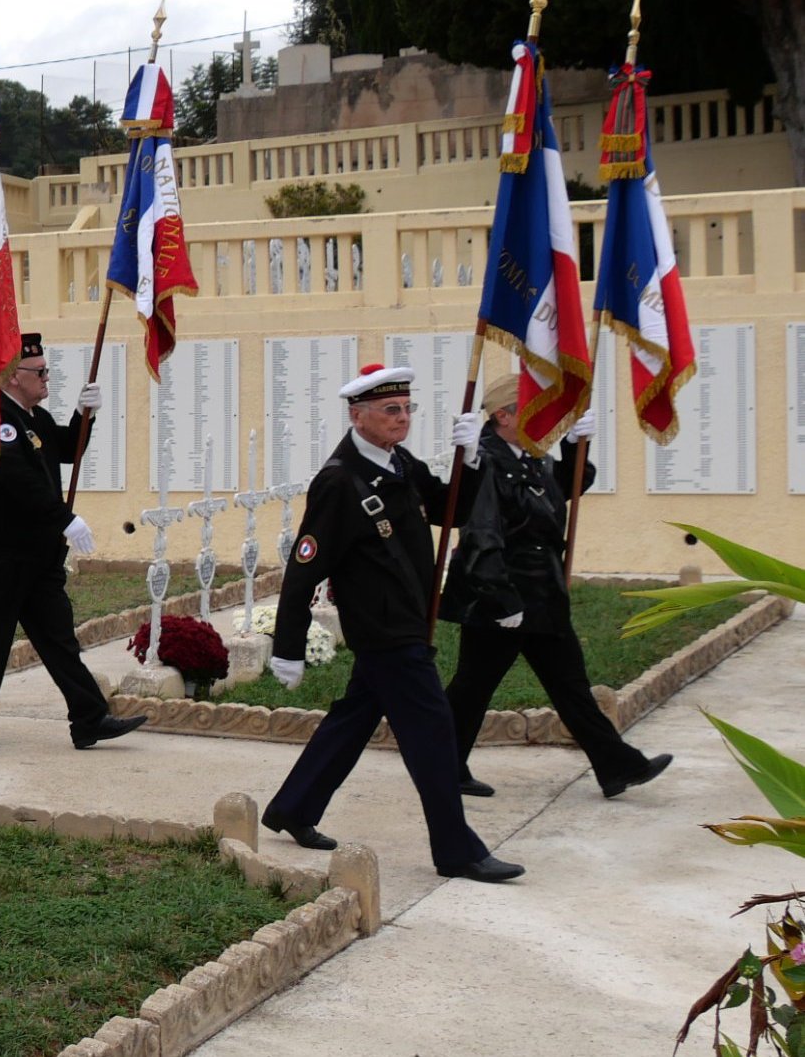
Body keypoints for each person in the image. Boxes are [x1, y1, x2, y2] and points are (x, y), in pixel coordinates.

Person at [261, 363, 522, 883]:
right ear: (358, 417)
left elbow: (454, 512)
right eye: (390, 411)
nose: (402, 419)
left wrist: (468, 462)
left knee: (353, 719)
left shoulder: (399, 461)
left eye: (407, 409)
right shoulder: (340, 481)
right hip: (385, 632)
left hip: (406, 619)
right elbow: (306, 564)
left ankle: (294, 807)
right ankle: (457, 850)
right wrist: (287, 645)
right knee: (434, 735)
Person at [441, 376, 672, 800]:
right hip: (502, 598)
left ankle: (616, 766)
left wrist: (574, 448)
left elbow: (565, 489)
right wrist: (502, 600)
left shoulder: (532, 454)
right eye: (532, 407)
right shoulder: (486, 461)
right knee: (473, 688)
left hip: (542, 596)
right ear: (504, 416)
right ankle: (442, 767)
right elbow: (481, 535)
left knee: (569, 685)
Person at [0, 333, 145, 753]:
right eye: (40, 372)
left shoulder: (32, 417)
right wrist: (64, 519)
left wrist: (83, 412)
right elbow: (18, 480)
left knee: (57, 637)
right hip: (3, 552)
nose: (46, 378)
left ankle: (89, 718)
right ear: (14, 376)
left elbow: (67, 449)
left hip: (36, 554)